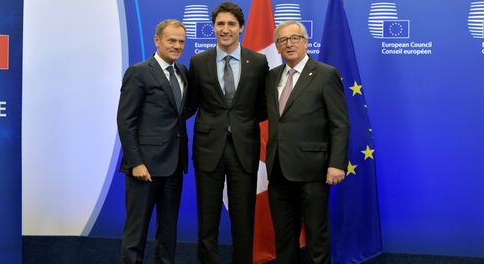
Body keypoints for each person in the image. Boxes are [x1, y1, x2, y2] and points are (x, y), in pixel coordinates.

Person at [185, 2, 269, 263]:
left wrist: (242, 124)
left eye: (231, 24)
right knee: (207, 219)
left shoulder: (258, 62)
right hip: (208, 149)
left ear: (241, 27)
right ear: (213, 28)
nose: (225, 29)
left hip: (244, 150)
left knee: (243, 219)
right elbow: (190, 103)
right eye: (220, 24)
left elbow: (264, 107)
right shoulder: (198, 61)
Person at [265, 21, 350, 264]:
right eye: (283, 40)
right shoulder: (271, 77)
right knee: (283, 238)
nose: (289, 44)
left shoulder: (325, 74)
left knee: (316, 237)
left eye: (294, 38)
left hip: (313, 170)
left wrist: (337, 163)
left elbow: (340, 124)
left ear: (305, 42)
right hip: (278, 170)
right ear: (278, 48)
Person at [117, 19, 188, 264]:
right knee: (136, 234)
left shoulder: (183, 73)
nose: (177, 46)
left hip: (174, 166)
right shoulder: (138, 72)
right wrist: (136, 162)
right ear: (157, 40)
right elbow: (126, 121)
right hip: (144, 168)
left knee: (168, 236)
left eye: (181, 41)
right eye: (171, 40)